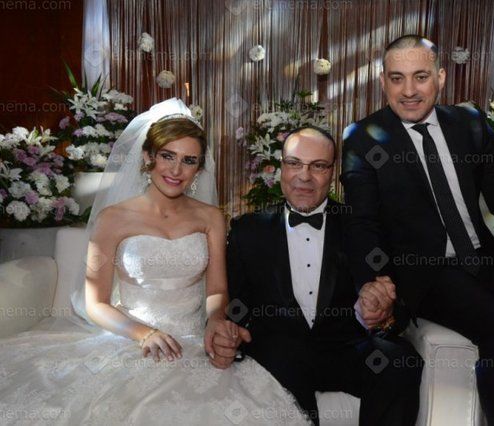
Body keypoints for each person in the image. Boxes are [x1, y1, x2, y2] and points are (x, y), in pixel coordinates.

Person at [0, 99, 306, 425]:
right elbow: (95, 303)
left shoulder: (211, 218)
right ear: (148, 157)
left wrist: (216, 321)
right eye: (167, 156)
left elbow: (217, 289)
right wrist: (144, 334)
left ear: (199, 169)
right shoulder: (113, 218)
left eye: (188, 160)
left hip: (192, 340)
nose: (176, 170)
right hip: (130, 339)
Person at [340, 35, 494, 426]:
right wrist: (374, 282)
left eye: (420, 77)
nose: (408, 90)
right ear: (382, 81)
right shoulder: (363, 137)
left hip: (488, 264)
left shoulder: (469, 123)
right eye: (397, 78)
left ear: (440, 77)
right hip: (426, 275)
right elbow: (360, 222)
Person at [222, 126, 422, 426]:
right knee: (280, 358)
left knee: (400, 360)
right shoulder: (247, 230)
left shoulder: (363, 229)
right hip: (279, 353)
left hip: (345, 349)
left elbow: (400, 308)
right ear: (281, 167)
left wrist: (384, 311)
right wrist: (231, 331)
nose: (304, 176)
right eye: (294, 163)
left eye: (318, 166)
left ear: (332, 172)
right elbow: (235, 307)